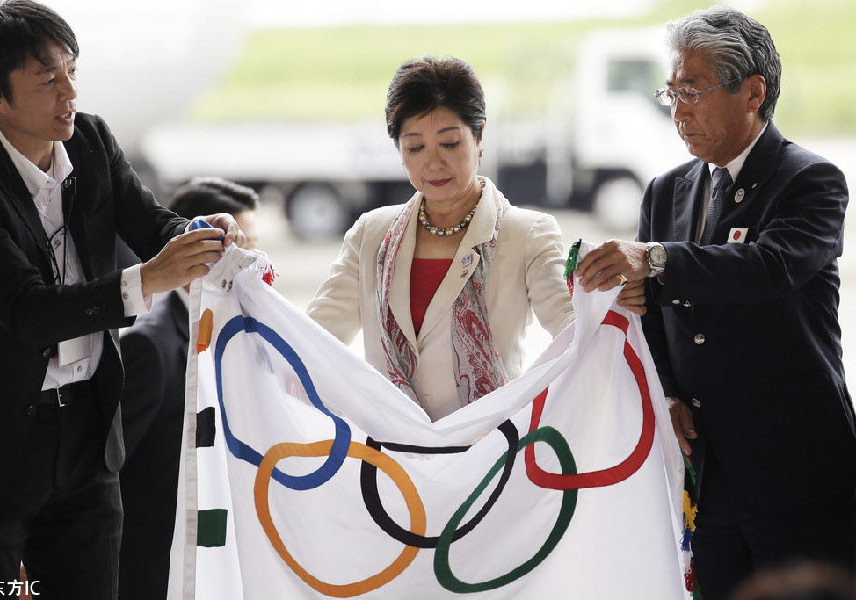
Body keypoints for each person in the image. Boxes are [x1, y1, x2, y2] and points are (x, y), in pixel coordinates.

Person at [0, 2, 244, 598]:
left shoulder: (90, 139)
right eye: (47, 79)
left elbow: (149, 223)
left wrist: (197, 236)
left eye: (71, 71)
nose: (68, 92)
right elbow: (27, 310)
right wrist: (148, 280)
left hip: (89, 435)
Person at [575, 7, 856, 598]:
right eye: (671, 92)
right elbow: (647, 307)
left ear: (752, 92)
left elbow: (768, 268)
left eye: (693, 91)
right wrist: (669, 389)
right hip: (706, 469)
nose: (678, 110)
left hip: (798, 468)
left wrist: (650, 259)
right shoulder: (667, 189)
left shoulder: (810, 180)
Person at [307, 55, 645, 422]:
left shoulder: (526, 234)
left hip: (490, 457)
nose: (433, 164)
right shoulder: (371, 235)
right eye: (415, 148)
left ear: (480, 135)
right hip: (392, 456)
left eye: (450, 144)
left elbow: (573, 332)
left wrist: (611, 300)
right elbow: (310, 339)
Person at [118, 178, 258, 600]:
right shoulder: (150, 345)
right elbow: (107, 468)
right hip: (150, 566)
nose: (251, 260)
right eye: (240, 246)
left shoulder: (226, 333)